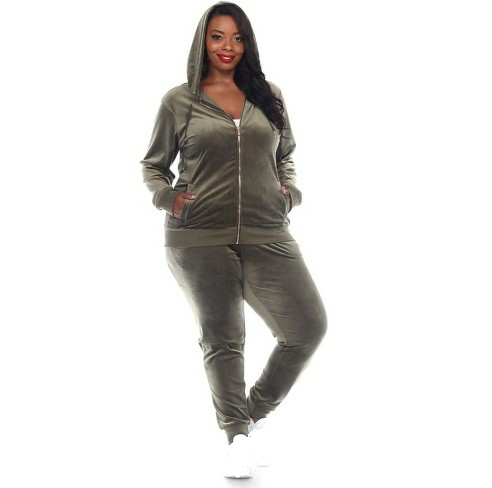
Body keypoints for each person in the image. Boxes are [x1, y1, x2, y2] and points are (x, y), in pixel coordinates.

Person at [139, 1, 328, 478]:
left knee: (307, 327)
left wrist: (289, 193)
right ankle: (237, 439)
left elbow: (286, 154)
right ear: (203, 40)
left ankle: (252, 414)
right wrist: (170, 199)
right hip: (198, 236)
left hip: (268, 230)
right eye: (218, 36)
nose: (228, 47)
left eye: (238, 37)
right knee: (224, 337)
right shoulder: (179, 101)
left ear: (249, 43)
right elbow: (154, 165)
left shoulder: (269, 96)